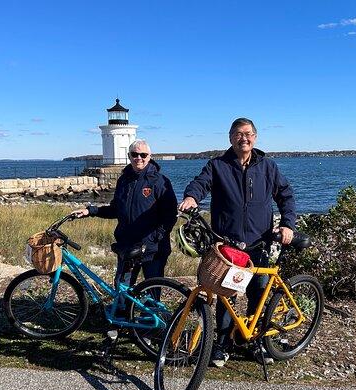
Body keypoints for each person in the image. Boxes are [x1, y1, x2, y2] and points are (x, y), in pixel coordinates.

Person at [179, 117, 296, 367]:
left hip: (259, 243)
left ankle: (254, 341)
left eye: (249, 134)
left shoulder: (268, 166)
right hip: (228, 246)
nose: (244, 138)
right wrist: (191, 197)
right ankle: (223, 344)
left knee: (258, 293)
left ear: (255, 137)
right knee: (226, 295)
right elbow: (201, 184)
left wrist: (288, 223)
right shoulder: (218, 165)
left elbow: (285, 195)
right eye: (238, 134)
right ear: (230, 137)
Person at [74, 139, 177, 298]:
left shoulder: (160, 181)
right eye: (134, 154)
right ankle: (123, 318)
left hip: (153, 248)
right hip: (127, 246)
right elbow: (116, 209)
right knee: (123, 289)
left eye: (143, 154)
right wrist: (91, 211)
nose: (139, 158)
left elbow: (170, 215)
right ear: (129, 156)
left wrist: (155, 237)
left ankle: (154, 320)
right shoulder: (123, 180)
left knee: (152, 290)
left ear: (150, 156)